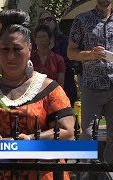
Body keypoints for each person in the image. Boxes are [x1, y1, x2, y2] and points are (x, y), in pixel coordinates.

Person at [0, 9, 74, 180]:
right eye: (5, 49)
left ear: (30, 49)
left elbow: (67, 132)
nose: (11, 56)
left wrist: (30, 140)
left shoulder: (50, 89)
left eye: (17, 49)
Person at [67, 0, 113, 179]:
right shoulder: (82, 19)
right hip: (92, 87)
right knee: (87, 134)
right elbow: (71, 52)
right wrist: (90, 54)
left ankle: (109, 175)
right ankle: (84, 176)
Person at [37, 11, 77, 107]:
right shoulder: (35, 44)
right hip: (40, 88)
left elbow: (71, 62)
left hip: (65, 85)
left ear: (55, 22)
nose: (45, 22)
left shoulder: (65, 41)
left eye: (49, 19)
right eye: (42, 20)